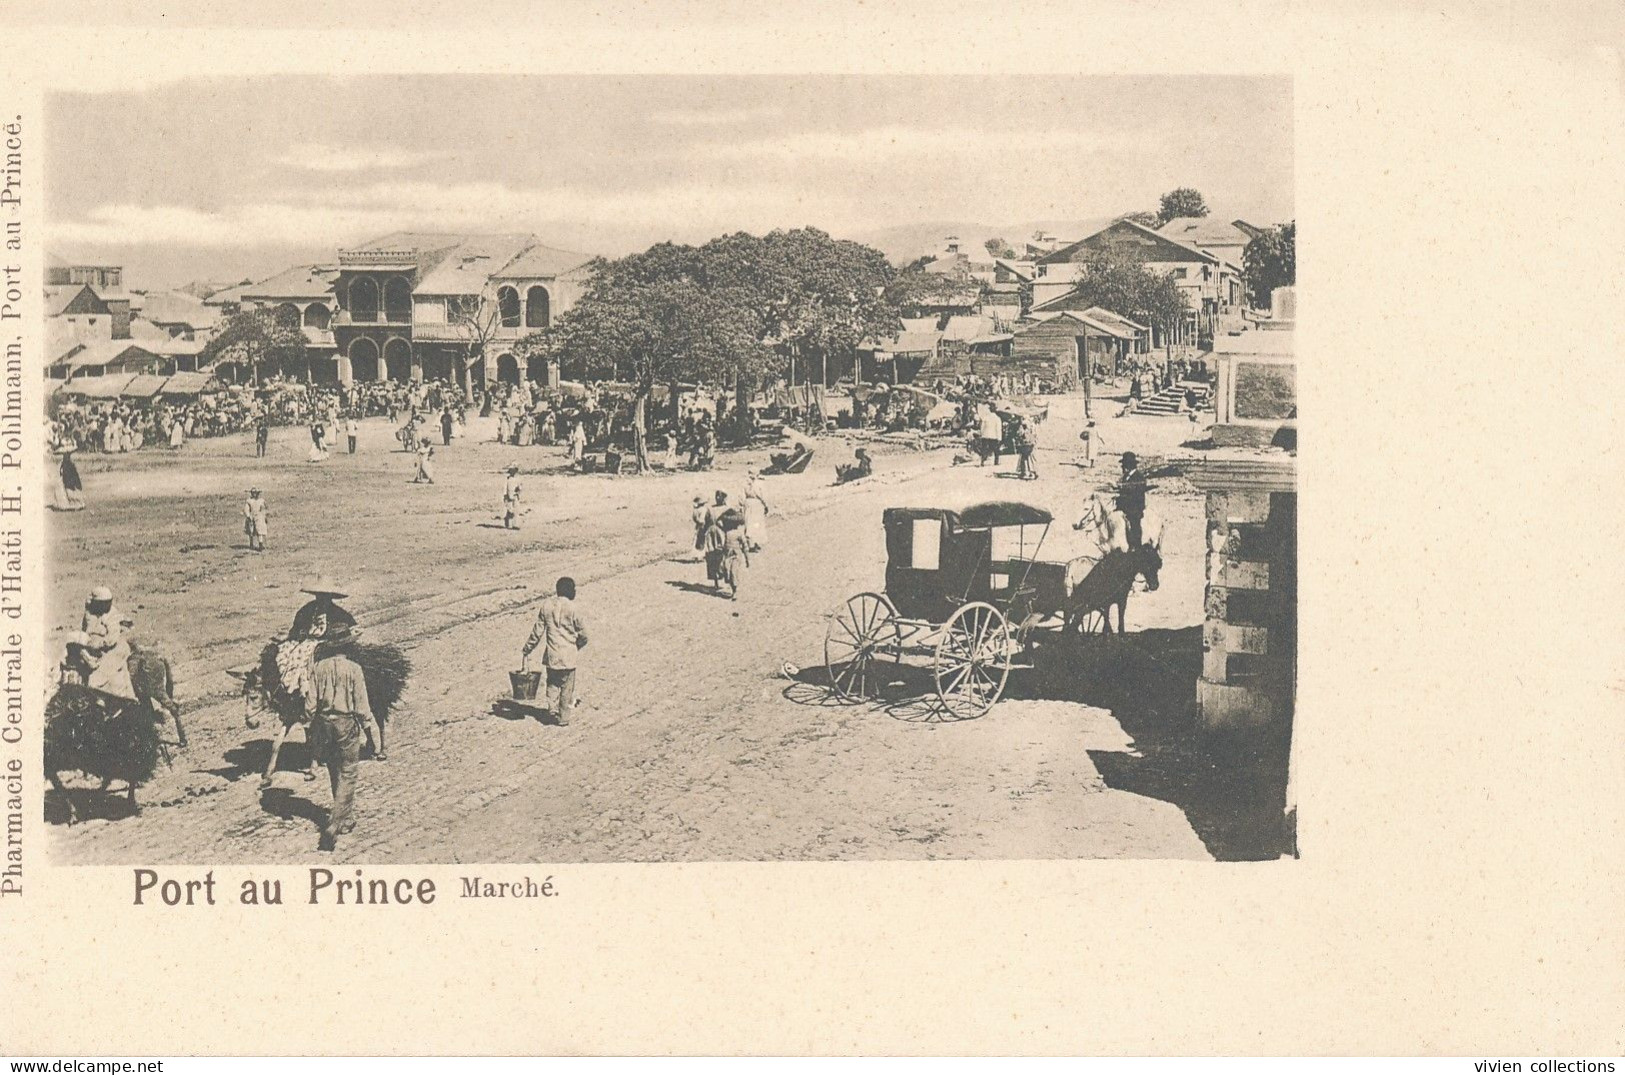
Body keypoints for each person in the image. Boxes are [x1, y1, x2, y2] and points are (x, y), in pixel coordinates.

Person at [306, 621, 371, 852]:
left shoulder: (317, 668)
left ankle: (346, 817)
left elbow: (310, 705)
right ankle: (334, 823)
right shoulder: (354, 669)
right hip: (346, 724)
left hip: (324, 724)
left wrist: (312, 725)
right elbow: (362, 707)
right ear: (347, 646)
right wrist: (369, 732)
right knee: (349, 771)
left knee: (334, 768)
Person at [520, 577, 588, 726]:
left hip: (552, 655)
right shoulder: (573, 608)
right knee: (567, 687)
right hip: (569, 656)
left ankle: (552, 710)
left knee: (552, 683)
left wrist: (527, 649)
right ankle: (563, 717)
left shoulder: (546, 606)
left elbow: (537, 633)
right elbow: (583, 634)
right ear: (571, 591)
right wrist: (577, 645)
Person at [719, 509, 750, 600]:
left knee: (733, 572)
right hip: (727, 555)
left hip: (736, 555)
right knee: (727, 572)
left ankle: (734, 592)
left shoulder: (739, 533)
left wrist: (747, 559)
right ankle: (732, 588)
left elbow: (745, 546)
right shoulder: (726, 533)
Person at [702, 491, 729, 589]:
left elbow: (705, 522)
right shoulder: (726, 509)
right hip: (721, 532)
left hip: (711, 533)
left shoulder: (710, 509)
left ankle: (716, 581)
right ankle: (726, 576)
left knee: (711, 555)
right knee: (723, 554)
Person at [742, 473, 770, 552]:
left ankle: (750, 543)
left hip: (748, 504)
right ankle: (755, 543)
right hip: (757, 505)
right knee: (757, 524)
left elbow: (741, 497)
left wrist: (744, 505)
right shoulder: (759, 484)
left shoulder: (745, 483)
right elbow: (763, 496)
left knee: (749, 523)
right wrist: (766, 505)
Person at [243, 487, 269, 552]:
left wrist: (265, 516)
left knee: (260, 531)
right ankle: (251, 544)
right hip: (251, 517)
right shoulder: (249, 501)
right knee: (251, 532)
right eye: (253, 493)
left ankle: (260, 545)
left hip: (259, 517)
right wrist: (248, 516)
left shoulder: (261, 501)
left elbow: (264, 508)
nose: (254, 494)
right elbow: (246, 509)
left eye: (256, 493)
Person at [502, 464, 522, 529]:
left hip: (515, 496)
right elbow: (505, 488)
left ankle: (515, 524)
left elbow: (520, 487)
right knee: (510, 510)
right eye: (511, 470)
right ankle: (507, 521)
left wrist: (518, 490)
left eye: (514, 470)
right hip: (508, 496)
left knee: (516, 510)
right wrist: (505, 496)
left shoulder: (517, 479)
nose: (512, 472)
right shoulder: (507, 479)